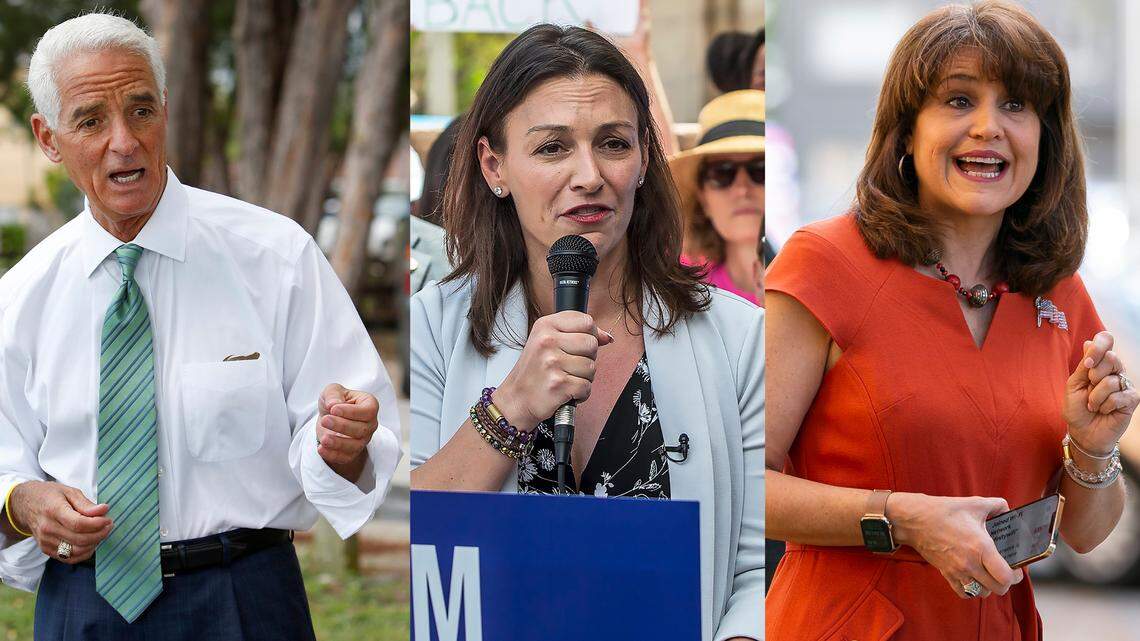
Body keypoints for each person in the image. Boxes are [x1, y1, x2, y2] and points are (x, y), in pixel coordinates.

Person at [0, 14, 401, 639]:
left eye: (140, 111)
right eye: (90, 121)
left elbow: (349, 436)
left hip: (243, 599)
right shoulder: (21, 297)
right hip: (83, 605)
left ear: (166, 109)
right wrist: (21, 503)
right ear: (47, 138)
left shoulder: (275, 257)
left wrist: (341, 444)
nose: (124, 142)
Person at [764, 3, 1138, 639]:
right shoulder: (824, 263)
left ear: (1046, 137)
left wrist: (1095, 448)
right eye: (958, 101)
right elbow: (741, 486)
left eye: (1017, 105)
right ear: (906, 131)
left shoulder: (1060, 295)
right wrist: (901, 519)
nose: (989, 127)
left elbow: (1085, 533)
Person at [410, 24, 762, 641]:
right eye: (551, 148)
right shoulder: (433, 329)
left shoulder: (737, 337)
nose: (589, 175)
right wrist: (512, 408)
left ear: (645, 159)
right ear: (495, 166)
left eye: (614, 143)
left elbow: (757, 568)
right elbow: (420, 547)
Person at [670, 90, 764, 305]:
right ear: (702, 197)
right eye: (722, 173)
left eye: (760, 170)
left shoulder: (811, 277)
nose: (742, 189)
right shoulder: (679, 283)